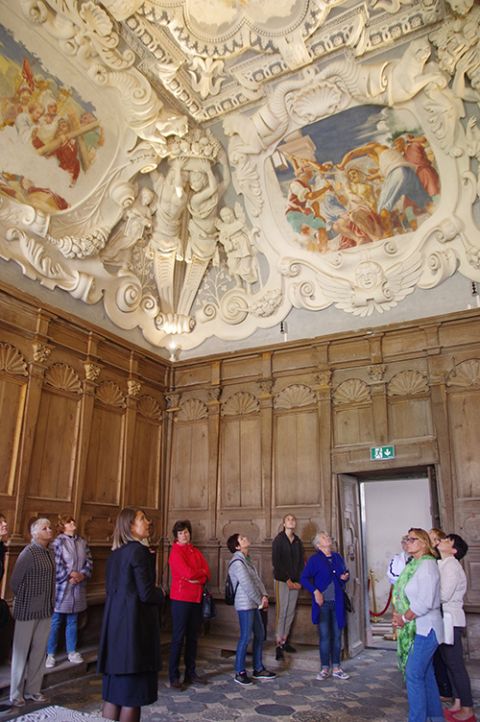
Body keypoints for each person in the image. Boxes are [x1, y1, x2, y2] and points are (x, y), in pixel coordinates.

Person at [97, 507, 164, 722]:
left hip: (115, 629)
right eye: (142, 519)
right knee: (131, 697)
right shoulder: (138, 551)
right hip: (134, 632)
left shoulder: (115, 554)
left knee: (113, 696)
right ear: (130, 526)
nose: (148, 523)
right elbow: (145, 593)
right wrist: (162, 593)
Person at [392, 528, 444, 722]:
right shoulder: (415, 564)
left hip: (426, 627)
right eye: (406, 538)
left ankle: (417, 718)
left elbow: (425, 601)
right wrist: (400, 614)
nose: (408, 542)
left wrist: (404, 618)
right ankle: (435, 717)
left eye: (412, 539)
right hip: (417, 626)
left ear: (423, 543)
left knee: (413, 674)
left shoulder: (428, 566)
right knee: (426, 674)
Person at [9, 518, 55, 707]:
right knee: (21, 652)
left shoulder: (50, 553)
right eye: (45, 528)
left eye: (50, 527)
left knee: (39, 651)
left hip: (45, 608)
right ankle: (15, 693)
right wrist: (28, 598)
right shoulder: (28, 553)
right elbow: (15, 582)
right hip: (27, 609)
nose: (49, 530)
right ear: (35, 533)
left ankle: (33, 690)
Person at [226, 533, 276, 686]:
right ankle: (239, 671)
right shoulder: (237, 562)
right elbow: (247, 584)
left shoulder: (247, 560)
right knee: (246, 637)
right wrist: (260, 600)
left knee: (260, 634)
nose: (245, 538)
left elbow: (256, 580)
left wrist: (264, 595)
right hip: (245, 604)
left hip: (254, 603)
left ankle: (258, 668)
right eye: (242, 539)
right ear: (237, 546)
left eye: (244, 537)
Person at [300, 531, 350, 681]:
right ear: (318, 544)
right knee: (325, 636)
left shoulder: (337, 557)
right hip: (323, 604)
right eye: (324, 537)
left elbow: (342, 576)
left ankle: (336, 667)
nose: (328, 538)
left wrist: (344, 577)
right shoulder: (315, 560)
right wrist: (315, 592)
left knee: (336, 635)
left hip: (337, 602)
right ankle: (324, 668)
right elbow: (304, 578)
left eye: (328, 536)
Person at [46, 515, 93, 668]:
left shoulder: (82, 542)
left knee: (73, 621)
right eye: (69, 522)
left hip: (78, 587)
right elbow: (56, 563)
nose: (73, 524)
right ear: (63, 526)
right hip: (62, 587)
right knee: (56, 620)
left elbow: (89, 561)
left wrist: (82, 575)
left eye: (73, 521)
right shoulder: (57, 542)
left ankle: (72, 651)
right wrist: (70, 574)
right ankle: (50, 654)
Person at [437, 533, 475, 722]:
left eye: (446, 541)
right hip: (445, 617)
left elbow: (444, 594)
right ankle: (458, 702)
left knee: (455, 665)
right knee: (449, 663)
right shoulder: (444, 564)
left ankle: (468, 708)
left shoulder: (451, 565)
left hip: (450, 618)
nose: (442, 541)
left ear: (453, 550)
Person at [168, 519, 210, 689]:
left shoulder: (195, 551)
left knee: (193, 638)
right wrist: (196, 576)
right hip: (180, 599)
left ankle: (190, 673)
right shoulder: (175, 552)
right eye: (180, 533)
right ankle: (173, 676)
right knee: (178, 638)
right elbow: (187, 573)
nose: (184, 535)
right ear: (176, 536)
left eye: (186, 532)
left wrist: (197, 577)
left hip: (196, 598)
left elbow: (206, 572)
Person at [272, 513, 304, 660]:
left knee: (291, 611)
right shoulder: (278, 540)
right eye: (288, 519)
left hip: (295, 581)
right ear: (284, 524)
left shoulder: (298, 541)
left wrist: (299, 581)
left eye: (293, 519)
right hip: (282, 581)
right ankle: (278, 644)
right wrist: (287, 579)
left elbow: (300, 563)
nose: (291, 521)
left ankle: (285, 641)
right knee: (282, 611)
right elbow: (276, 563)